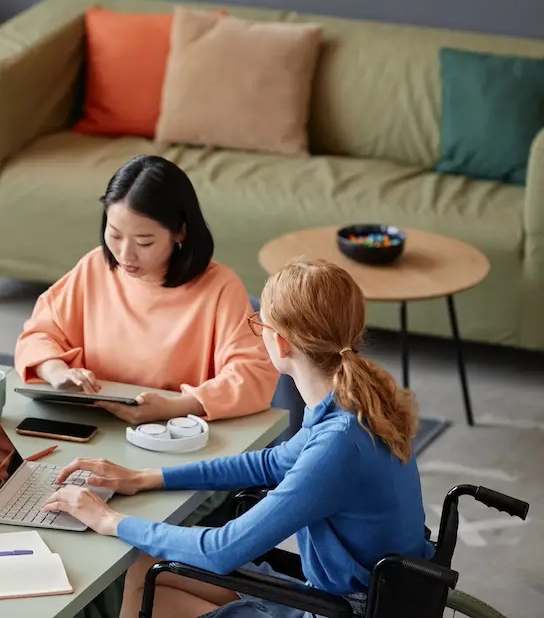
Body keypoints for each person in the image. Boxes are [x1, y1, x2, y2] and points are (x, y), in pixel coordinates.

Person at [42, 259, 433, 618]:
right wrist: (147, 477)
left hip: (340, 610)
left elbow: (222, 549)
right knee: (145, 565)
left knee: (157, 598)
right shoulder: (352, 403)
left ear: (279, 342)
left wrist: (109, 519)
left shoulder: (341, 442)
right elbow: (270, 463)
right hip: (367, 596)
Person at [14, 156, 277, 425]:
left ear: (180, 233)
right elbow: (38, 334)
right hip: (94, 426)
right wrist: (57, 371)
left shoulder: (220, 288)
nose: (125, 255)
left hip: (176, 435)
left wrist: (176, 407)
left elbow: (252, 376)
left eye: (144, 242)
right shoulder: (95, 267)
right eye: (114, 235)